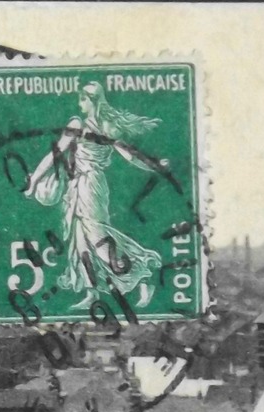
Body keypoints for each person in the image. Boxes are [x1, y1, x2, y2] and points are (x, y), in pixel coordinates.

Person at [24, 81, 170, 310]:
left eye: (82, 98)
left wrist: (154, 166)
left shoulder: (104, 127)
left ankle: (141, 276)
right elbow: (56, 154)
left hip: (91, 185)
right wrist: (34, 181)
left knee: (97, 237)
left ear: (91, 101)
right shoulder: (82, 124)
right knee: (79, 239)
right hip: (76, 186)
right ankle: (92, 293)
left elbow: (130, 156)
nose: (79, 103)